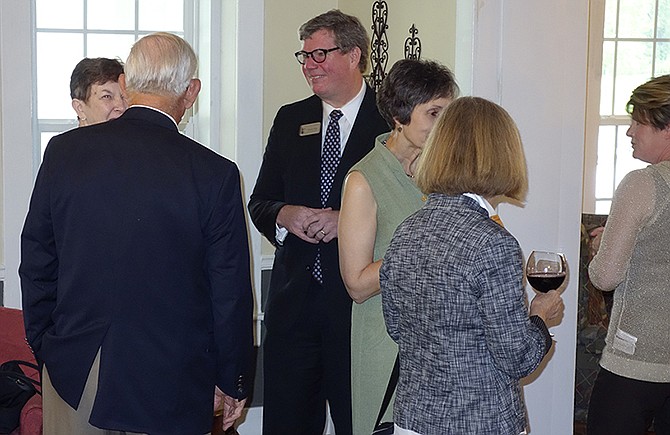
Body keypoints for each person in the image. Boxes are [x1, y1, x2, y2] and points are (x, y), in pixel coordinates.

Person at [20, 32, 253, 435]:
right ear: (191, 91)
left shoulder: (64, 152)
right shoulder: (214, 174)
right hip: (174, 380)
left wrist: (47, 346)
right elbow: (229, 292)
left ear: (126, 83)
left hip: (77, 369)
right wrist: (232, 379)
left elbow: (38, 260)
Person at [380, 96, 564, 435]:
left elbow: (396, 326)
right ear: (502, 155)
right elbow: (517, 357)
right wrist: (539, 318)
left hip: (413, 420)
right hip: (481, 423)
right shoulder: (493, 243)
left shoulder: (406, 231)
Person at [247, 9, 388, 435]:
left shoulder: (390, 119)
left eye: (320, 54)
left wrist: (349, 220)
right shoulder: (292, 119)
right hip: (293, 311)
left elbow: (413, 210)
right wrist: (285, 215)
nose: (309, 65)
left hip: (362, 313)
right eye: (304, 56)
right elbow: (260, 202)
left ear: (354, 56)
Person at [338, 59, 458, 435]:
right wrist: (417, 246)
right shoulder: (363, 179)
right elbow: (356, 284)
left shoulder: (445, 172)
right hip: (387, 344)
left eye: (448, 113)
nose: (444, 125)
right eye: (434, 113)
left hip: (442, 344)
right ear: (399, 115)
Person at [586, 75, 670, 435]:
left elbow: (605, 276)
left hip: (637, 363)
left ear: (666, 128)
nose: (629, 131)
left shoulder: (643, 183)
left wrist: (602, 247)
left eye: (639, 121)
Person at [70, 57, 127, 127]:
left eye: (124, 96)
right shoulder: (64, 138)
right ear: (80, 108)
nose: (122, 107)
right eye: (107, 96)